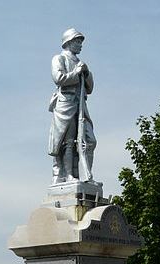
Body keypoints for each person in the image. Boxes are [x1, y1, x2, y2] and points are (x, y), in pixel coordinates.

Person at [48, 28, 96, 184]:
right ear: (68, 42)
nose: (80, 45)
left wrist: (86, 72)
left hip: (81, 104)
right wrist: (76, 72)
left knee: (89, 141)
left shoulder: (82, 64)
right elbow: (59, 78)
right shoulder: (59, 59)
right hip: (65, 103)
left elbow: (90, 88)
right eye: (77, 41)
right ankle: (69, 175)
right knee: (68, 141)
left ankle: (88, 175)